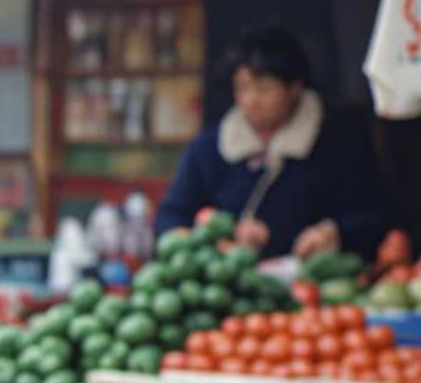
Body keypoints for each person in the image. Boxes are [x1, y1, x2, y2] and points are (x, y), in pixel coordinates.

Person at [156, 26, 392, 260]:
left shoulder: (338, 143)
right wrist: (208, 240)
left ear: (295, 88)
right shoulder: (209, 148)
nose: (251, 101)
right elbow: (171, 217)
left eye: (264, 89)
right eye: (243, 88)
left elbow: (373, 214)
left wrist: (336, 234)